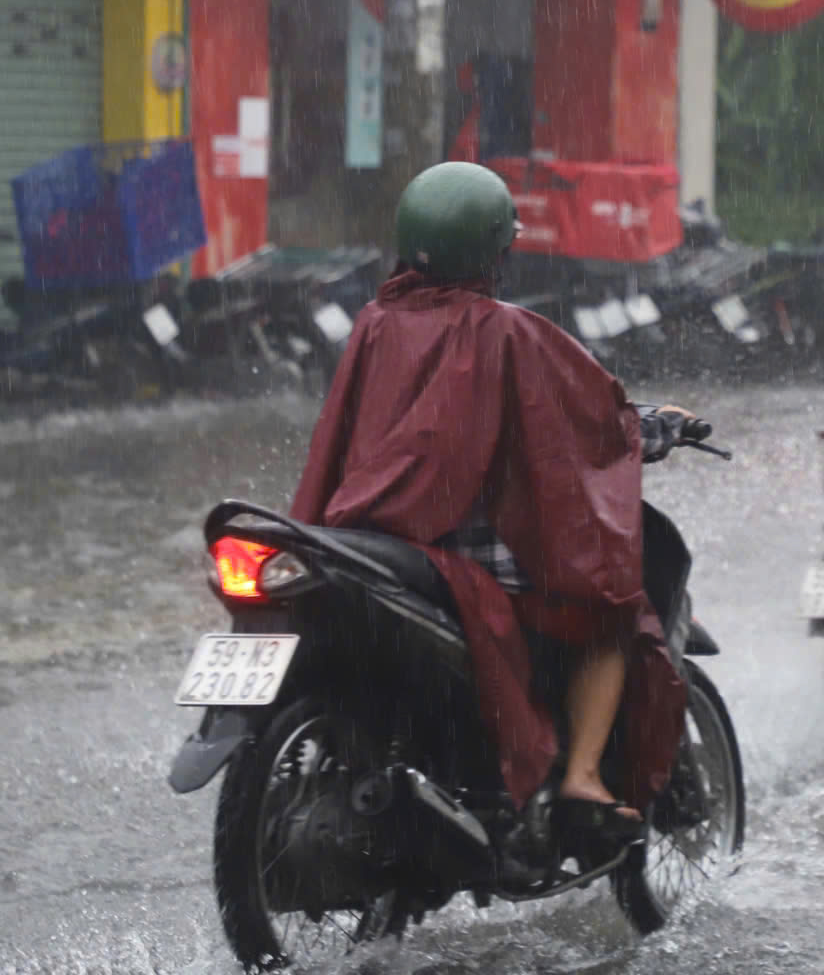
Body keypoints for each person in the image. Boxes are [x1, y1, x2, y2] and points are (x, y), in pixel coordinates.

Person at [289, 161, 686, 858]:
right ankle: (585, 778)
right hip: (458, 558)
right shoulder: (507, 331)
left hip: (369, 540)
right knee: (611, 610)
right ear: (496, 251)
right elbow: (588, 425)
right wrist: (652, 427)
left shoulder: (376, 322)